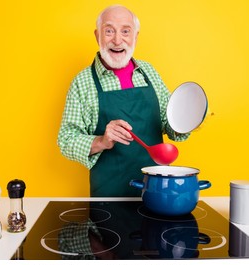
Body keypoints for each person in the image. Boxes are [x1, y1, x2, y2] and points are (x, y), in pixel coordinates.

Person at [57, 5, 190, 197]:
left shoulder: (149, 72)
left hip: (156, 193)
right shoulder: (82, 82)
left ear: (135, 36)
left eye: (125, 31)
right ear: (97, 36)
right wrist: (101, 141)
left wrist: (188, 119)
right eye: (109, 31)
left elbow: (171, 126)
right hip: (109, 198)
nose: (118, 40)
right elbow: (66, 140)